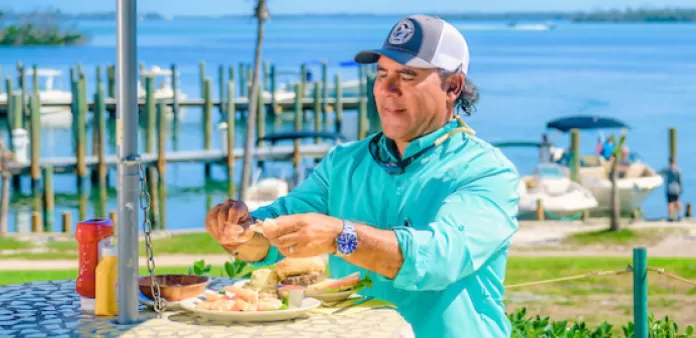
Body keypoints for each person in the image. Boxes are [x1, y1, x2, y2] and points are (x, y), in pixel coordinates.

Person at [204, 14, 519, 338]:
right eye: (382, 74)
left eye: (407, 75)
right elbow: (273, 237)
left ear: (452, 85)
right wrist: (238, 232)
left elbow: (439, 259)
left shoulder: (487, 171)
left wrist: (340, 236)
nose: (387, 88)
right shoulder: (344, 162)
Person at [660, 157, 683, 221]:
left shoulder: (668, 170)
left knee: (670, 203)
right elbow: (680, 180)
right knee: (677, 201)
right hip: (676, 188)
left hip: (670, 189)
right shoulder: (678, 170)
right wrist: (681, 189)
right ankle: (680, 215)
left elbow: (661, 173)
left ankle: (671, 217)